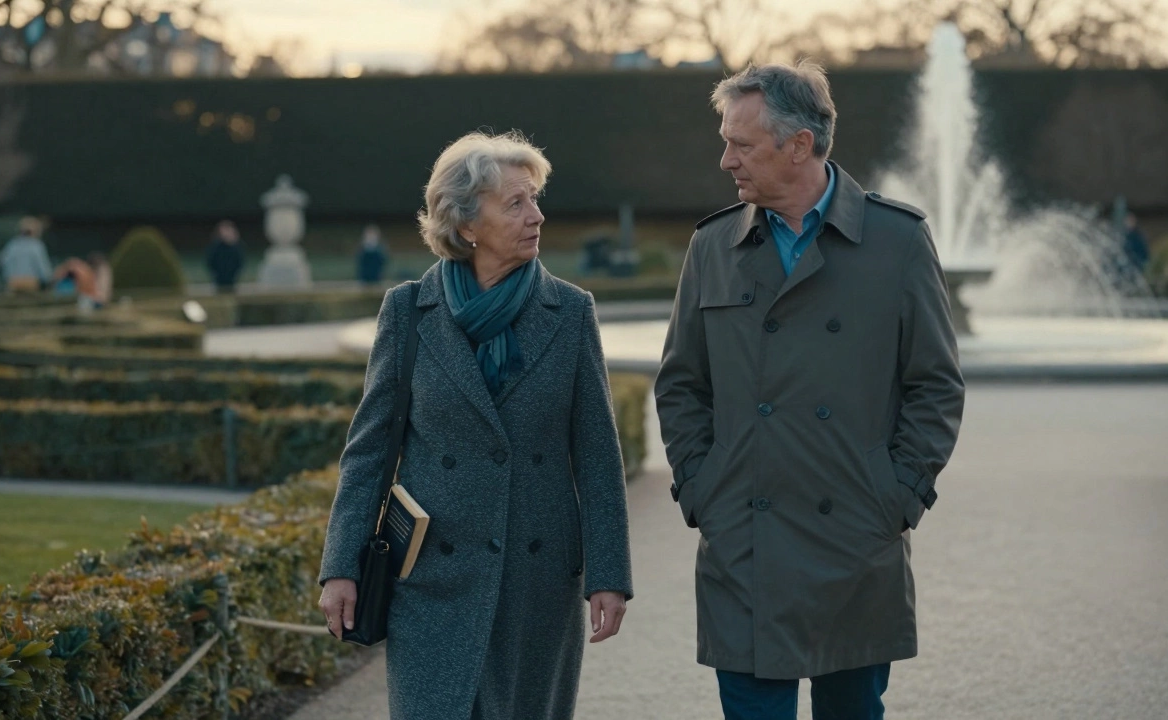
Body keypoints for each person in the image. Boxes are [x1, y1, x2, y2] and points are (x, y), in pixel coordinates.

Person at [655, 61, 965, 720]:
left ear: (798, 145)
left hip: (855, 545)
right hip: (745, 546)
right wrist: (703, 488)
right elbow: (682, 383)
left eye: (741, 144)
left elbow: (935, 385)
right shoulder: (713, 245)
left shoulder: (897, 241)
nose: (725, 160)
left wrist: (897, 495)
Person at [318, 131, 633, 719]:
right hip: (430, 578)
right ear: (466, 224)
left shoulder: (570, 312)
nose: (537, 215)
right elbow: (367, 453)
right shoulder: (408, 311)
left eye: (536, 199)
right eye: (515, 203)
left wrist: (609, 575)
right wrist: (340, 566)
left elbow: (596, 455)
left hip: (537, 579)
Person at [0, 216, 53, 293]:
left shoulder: (13, 244)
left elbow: (1, 260)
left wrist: (8, 276)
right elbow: (43, 267)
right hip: (31, 282)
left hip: (13, 282)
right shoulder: (36, 245)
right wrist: (49, 280)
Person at [206, 220, 244, 293]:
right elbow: (210, 261)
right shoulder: (215, 247)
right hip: (219, 280)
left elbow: (239, 262)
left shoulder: (237, 247)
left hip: (232, 280)